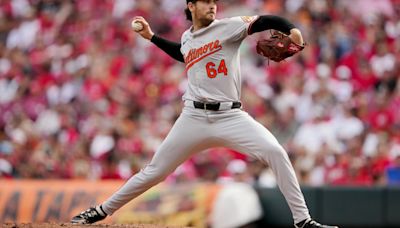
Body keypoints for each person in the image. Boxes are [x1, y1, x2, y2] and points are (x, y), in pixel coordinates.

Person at [71, 1, 338, 227]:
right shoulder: (188, 37)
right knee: (154, 171)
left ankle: (303, 221)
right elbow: (183, 53)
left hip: (231, 116)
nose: (212, 5)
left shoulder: (229, 26)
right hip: (193, 118)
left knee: (275, 152)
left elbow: (264, 20)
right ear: (191, 6)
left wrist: (292, 30)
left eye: (213, 1)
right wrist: (152, 38)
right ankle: (101, 211)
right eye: (205, 1)